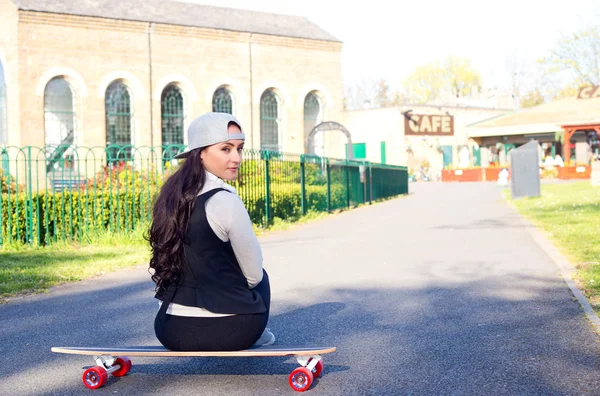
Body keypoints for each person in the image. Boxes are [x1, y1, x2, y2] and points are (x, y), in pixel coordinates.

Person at [147, 112, 274, 351]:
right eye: (226, 149)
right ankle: (259, 331)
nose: (236, 157)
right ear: (201, 153)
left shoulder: (169, 198)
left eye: (240, 148)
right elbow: (254, 276)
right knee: (262, 276)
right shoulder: (225, 199)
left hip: (171, 331)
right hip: (233, 332)